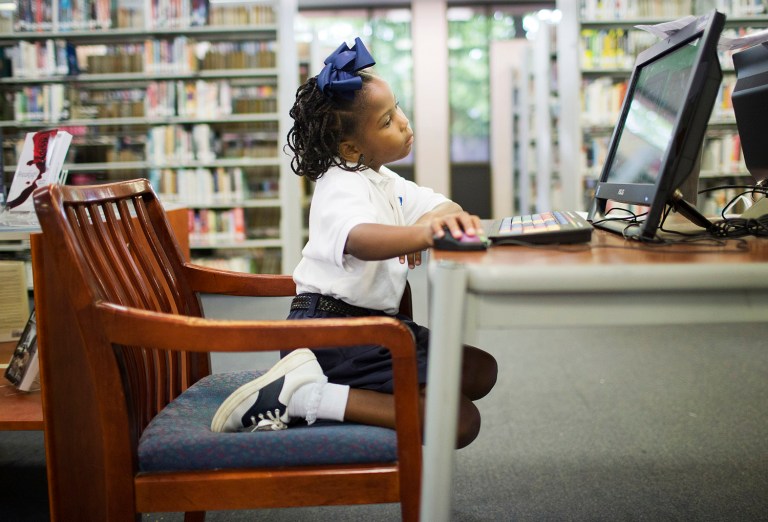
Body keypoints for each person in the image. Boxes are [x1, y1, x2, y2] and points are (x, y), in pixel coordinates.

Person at [211, 37, 497, 449]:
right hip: (331, 334)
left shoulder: (383, 180)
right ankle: (304, 395)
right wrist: (420, 233)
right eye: (385, 121)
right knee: (457, 421)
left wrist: (426, 222)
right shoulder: (339, 183)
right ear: (350, 148)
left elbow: (443, 205)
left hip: (378, 329)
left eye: (397, 107)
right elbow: (358, 239)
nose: (402, 121)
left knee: (480, 370)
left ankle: (344, 395)